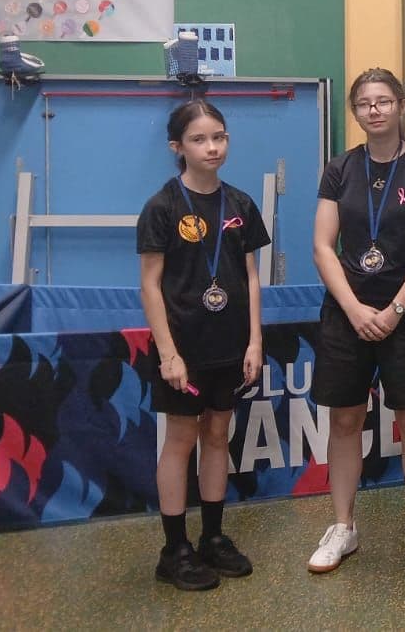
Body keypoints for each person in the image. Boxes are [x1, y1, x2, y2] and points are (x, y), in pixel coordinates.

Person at [308, 69, 405, 574]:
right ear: (355, 111)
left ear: (402, 105)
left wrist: (394, 310)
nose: (375, 110)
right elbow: (323, 246)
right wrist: (353, 308)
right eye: (365, 103)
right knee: (345, 420)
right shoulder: (339, 169)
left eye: (384, 101)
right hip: (347, 312)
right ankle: (343, 525)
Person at [139, 100, 270, 591]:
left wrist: (254, 341)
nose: (212, 147)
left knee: (218, 434)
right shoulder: (162, 207)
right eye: (199, 139)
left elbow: (251, 277)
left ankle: (212, 537)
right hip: (183, 349)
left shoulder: (241, 205)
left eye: (219, 136)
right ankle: (174, 550)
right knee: (181, 439)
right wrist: (168, 353)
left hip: (230, 346)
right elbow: (150, 285)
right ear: (178, 147)